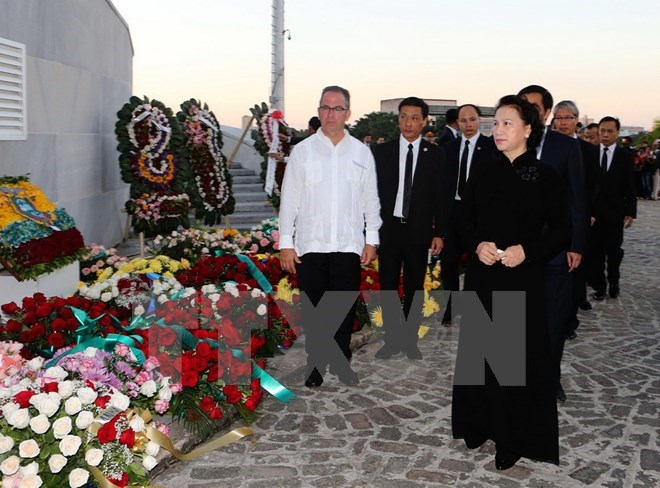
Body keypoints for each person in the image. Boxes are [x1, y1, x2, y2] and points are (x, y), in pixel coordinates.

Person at [452, 94, 570, 471]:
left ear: (527, 130)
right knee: (480, 356)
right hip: (484, 274)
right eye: (496, 123)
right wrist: (478, 244)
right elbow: (463, 220)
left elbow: (563, 230)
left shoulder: (545, 176)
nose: (497, 130)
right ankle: (477, 424)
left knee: (510, 363)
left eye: (507, 124)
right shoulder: (483, 170)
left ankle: (510, 437)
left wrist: (527, 250)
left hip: (521, 277)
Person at [279, 85, 382, 388]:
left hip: (348, 244)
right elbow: (290, 199)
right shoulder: (303, 152)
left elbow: (370, 198)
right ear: (318, 111)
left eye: (337, 108)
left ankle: (340, 358)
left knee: (343, 306)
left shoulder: (362, 153)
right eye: (325, 107)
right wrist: (286, 242)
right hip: (311, 244)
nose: (330, 114)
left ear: (348, 113)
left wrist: (371, 239)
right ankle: (316, 364)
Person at [518, 85, 586, 403]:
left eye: (533, 106)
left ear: (546, 112)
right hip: (513, 251)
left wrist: (577, 244)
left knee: (552, 318)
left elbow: (576, 198)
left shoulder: (565, 146)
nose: (528, 111)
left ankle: (549, 379)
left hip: (555, 250)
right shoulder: (504, 143)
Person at [372, 97, 450, 360]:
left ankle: (409, 339)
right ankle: (391, 339)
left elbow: (442, 197)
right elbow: (372, 194)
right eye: (404, 116)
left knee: (416, 285)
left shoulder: (436, 154)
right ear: (398, 119)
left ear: (424, 121)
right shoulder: (381, 152)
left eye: (415, 117)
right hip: (389, 229)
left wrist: (439, 231)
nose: (408, 122)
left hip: (419, 231)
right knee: (389, 285)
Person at [441, 103, 496, 324]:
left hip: (478, 215)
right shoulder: (449, 148)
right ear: (458, 123)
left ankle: (476, 306)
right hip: (452, 212)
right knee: (448, 261)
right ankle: (451, 305)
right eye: (463, 121)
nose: (468, 125)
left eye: (472, 120)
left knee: (477, 262)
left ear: (479, 120)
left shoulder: (491, 148)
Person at [552, 100, 601, 333]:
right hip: (551, 220)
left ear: (576, 121)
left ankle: (569, 321)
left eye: (567, 117)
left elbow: (592, 186)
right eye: (558, 118)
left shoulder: (588, 151)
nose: (562, 122)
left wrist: (586, 214)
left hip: (577, 218)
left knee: (574, 273)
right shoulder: (547, 147)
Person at [589, 116, 636, 301]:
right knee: (595, 253)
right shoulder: (591, 153)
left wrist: (630, 212)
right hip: (594, 214)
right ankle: (599, 286)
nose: (605, 135)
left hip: (615, 213)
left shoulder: (625, 156)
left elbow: (630, 186)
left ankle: (614, 281)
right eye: (602, 131)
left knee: (614, 251)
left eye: (610, 131)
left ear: (617, 132)